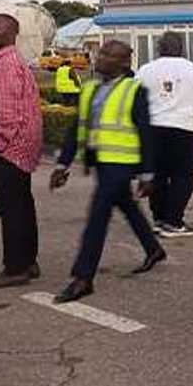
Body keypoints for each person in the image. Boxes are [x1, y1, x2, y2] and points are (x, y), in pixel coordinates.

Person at [49, 40, 168, 304]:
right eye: (101, 53)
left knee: (97, 216)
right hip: (101, 163)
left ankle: (83, 277)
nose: (99, 58)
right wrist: (62, 164)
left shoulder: (134, 90)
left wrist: (148, 174)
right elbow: (75, 129)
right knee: (126, 206)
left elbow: (146, 134)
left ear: (124, 62)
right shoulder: (90, 88)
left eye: (107, 55)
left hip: (122, 165)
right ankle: (153, 248)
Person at [0, 14, 43, 290]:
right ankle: (27, 261)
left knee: (12, 211)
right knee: (22, 207)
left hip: (9, 151)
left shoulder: (5, 66)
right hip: (18, 151)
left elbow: (10, 114)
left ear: (10, 33)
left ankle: (15, 268)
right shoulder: (7, 62)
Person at [136, 32, 193, 238]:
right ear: (181, 48)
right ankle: (173, 221)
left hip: (153, 131)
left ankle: (159, 220)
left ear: (159, 48)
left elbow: (133, 101)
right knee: (183, 177)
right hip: (183, 131)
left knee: (158, 176)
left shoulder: (145, 70)